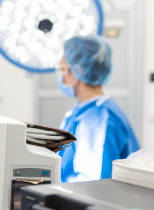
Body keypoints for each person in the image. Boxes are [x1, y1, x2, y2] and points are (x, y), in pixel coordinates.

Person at [56, 35, 139, 182]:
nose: (61, 77)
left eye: (63, 69)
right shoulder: (81, 112)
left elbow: (92, 185)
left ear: (79, 70)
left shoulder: (99, 119)